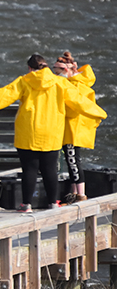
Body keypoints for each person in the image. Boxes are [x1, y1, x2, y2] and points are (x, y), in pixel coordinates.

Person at [0, 53, 107, 213]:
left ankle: (26, 205)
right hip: (52, 133)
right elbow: (78, 101)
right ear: (46, 66)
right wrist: (99, 113)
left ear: (30, 68)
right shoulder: (60, 83)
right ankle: (53, 204)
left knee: (29, 169)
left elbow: (2, 97)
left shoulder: (24, 81)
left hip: (28, 134)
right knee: (50, 170)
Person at [52, 51, 101, 204]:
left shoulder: (78, 86)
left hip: (74, 128)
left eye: (57, 71)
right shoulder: (76, 83)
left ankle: (80, 195)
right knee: (70, 159)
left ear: (66, 70)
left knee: (73, 161)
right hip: (70, 127)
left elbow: (75, 108)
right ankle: (74, 193)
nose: (55, 74)